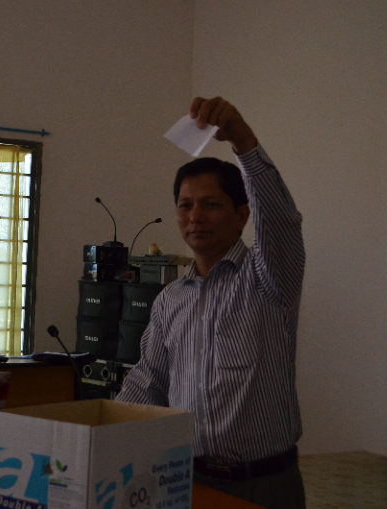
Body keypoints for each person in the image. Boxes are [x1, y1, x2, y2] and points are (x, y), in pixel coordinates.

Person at [116, 96, 306, 509]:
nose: (195, 216)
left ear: (242, 216)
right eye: (185, 206)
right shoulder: (170, 300)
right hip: (187, 481)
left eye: (211, 204)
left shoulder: (268, 280)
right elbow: (148, 382)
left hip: (265, 484)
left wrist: (243, 141)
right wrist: (99, 432)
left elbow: (281, 221)